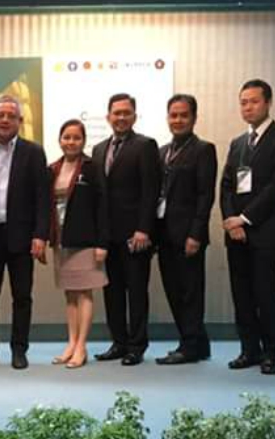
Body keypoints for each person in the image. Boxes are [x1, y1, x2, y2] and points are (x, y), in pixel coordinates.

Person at [220, 79, 275, 375]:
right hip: (236, 233)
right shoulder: (238, 143)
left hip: (266, 231)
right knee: (241, 294)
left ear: (268, 102)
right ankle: (248, 351)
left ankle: (271, 354)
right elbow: (227, 185)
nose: (247, 107)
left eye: (253, 101)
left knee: (265, 294)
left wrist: (245, 218)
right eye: (243, 102)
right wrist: (231, 221)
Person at [0, 95, 50, 370]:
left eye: (10, 116)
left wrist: (40, 235)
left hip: (23, 237)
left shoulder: (34, 152)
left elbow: (42, 197)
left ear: (20, 121)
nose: (4, 120)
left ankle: (19, 349)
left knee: (22, 296)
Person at [91, 93, 162, 366]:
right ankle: (118, 342)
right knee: (112, 291)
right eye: (116, 113)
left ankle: (136, 345)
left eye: (126, 113)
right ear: (108, 116)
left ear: (134, 116)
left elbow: (150, 191)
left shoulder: (145, 146)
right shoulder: (98, 150)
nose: (121, 117)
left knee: (136, 291)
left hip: (135, 235)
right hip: (107, 236)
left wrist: (144, 229)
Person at [155, 94, 217, 365]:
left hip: (189, 235)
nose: (178, 120)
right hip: (164, 233)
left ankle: (189, 346)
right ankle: (199, 343)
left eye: (183, 115)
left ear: (194, 118)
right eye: (173, 115)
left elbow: (206, 195)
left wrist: (196, 234)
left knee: (190, 292)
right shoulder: (161, 152)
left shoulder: (203, 150)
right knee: (173, 290)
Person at [48, 119, 108, 369]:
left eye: (76, 138)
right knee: (70, 294)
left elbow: (103, 206)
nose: (71, 142)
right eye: (66, 137)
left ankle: (82, 346)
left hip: (86, 241)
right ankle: (71, 343)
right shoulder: (52, 168)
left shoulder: (92, 167)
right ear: (60, 140)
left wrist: (102, 243)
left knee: (85, 292)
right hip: (62, 241)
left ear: (83, 141)